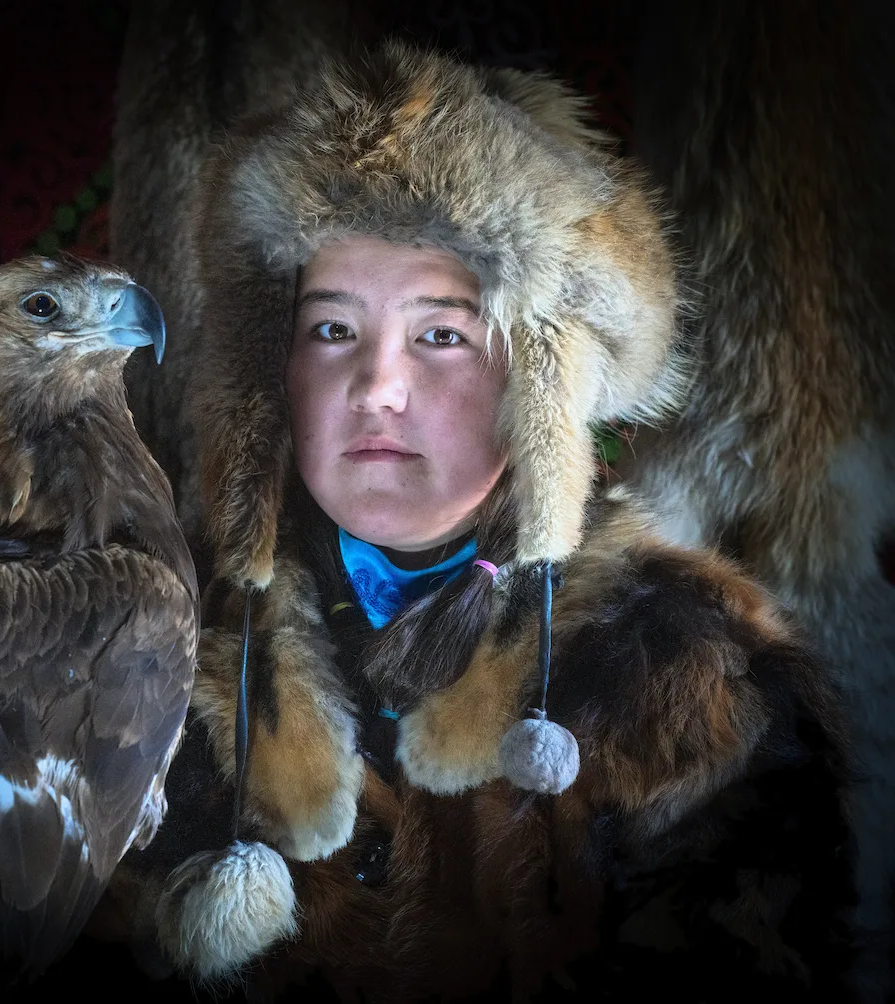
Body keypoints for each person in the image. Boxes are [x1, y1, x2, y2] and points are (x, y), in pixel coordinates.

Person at [92, 42, 855, 1002]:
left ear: (542, 385)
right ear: (271, 373)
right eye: (331, 329)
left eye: (442, 334)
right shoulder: (150, 652)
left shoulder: (698, 670)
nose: (376, 388)